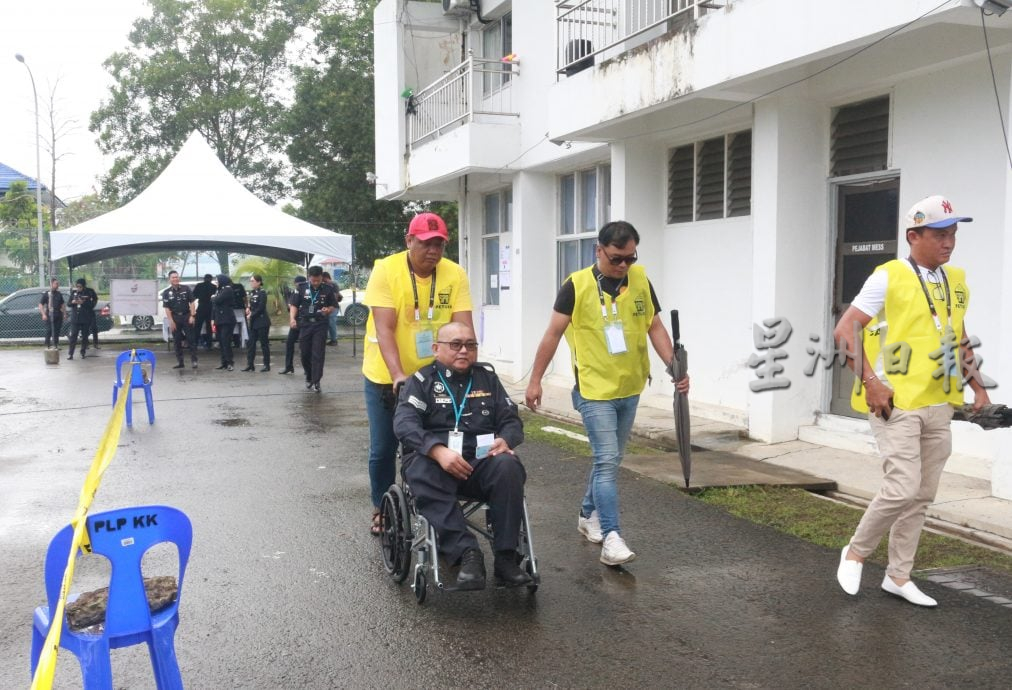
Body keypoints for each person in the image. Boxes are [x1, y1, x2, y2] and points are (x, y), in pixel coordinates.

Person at [833, 195, 990, 607]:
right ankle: (855, 552)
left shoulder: (955, 279)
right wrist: (871, 383)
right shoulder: (888, 277)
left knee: (921, 495)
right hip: (896, 402)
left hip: (939, 402)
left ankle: (898, 576)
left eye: (952, 234)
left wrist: (978, 388)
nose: (949, 242)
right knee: (902, 489)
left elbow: (958, 338)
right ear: (913, 236)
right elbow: (845, 331)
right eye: (939, 235)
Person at [525, 220, 689, 566]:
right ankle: (612, 537)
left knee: (610, 459)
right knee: (607, 460)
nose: (623, 265)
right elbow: (552, 334)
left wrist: (675, 368)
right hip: (594, 389)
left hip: (630, 387)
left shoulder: (640, 279)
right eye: (616, 258)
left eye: (630, 258)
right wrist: (535, 380)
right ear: (598, 250)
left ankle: (588, 514)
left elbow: (655, 326)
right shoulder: (576, 285)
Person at [393, 322, 531, 590]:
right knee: (420, 471)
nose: (464, 350)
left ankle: (506, 558)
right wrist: (437, 451)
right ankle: (467, 554)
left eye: (470, 345)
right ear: (436, 348)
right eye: (455, 344)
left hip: (479, 461)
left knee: (508, 465)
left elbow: (510, 419)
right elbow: (404, 424)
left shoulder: (487, 379)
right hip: (434, 461)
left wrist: (506, 439)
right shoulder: (420, 382)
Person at [362, 212, 473, 535]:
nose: (433, 251)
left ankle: (438, 502)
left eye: (439, 244)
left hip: (434, 376)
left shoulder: (454, 273)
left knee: (440, 441)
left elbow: (463, 327)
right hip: (387, 376)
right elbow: (384, 329)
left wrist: (467, 367)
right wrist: (398, 374)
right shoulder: (386, 270)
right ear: (409, 240)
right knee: (384, 447)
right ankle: (381, 507)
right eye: (426, 243)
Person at [289, 265, 339, 392]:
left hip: (320, 324)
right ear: (309, 277)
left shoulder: (328, 289)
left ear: (322, 277)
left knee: (318, 353)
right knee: (304, 353)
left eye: (318, 280)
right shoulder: (301, 288)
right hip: (305, 324)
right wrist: (292, 319)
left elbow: (333, 305)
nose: (316, 283)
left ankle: (316, 381)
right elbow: (294, 305)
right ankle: (309, 375)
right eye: (313, 280)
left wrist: (328, 310)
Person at [162, 270, 198, 369]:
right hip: (175, 318)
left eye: (177, 277)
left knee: (191, 339)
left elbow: (192, 302)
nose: (175, 279)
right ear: (169, 279)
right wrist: (171, 321)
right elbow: (167, 308)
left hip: (186, 316)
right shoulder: (166, 292)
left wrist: (192, 316)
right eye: (173, 277)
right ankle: (180, 362)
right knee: (177, 341)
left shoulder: (186, 289)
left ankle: (194, 361)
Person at [242, 274, 271, 372]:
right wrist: (248, 309)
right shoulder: (253, 292)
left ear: (259, 282)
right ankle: (250, 364)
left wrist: (251, 315)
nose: (251, 283)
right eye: (250, 281)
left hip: (262, 321)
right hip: (254, 322)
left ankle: (266, 364)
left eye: (253, 281)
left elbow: (261, 307)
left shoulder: (262, 293)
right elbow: (253, 305)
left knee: (264, 344)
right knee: (251, 343)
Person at [278, 275, 306, 375]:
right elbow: (291, 306)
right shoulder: (296, 292)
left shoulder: (306, 291)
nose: (298, 285)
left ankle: (307, 368)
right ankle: (289, 366)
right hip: (296, 322)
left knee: (304, 346)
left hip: (303, 322)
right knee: (290, 343)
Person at [66, 278, 97, 360]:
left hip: (85, 317)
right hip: (75, 318)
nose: (78, 288)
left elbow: (92, 303)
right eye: (77, 286)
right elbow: (68, 303)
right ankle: (70, 353)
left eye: (80, 286)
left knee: (84, 336)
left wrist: (83, 302)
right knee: (73, 336)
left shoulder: (89, 292)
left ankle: (83, 352)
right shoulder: (74, 293)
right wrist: (73, 302)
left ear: (83, 286)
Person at [212, 273, 237, 371]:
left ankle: (230, 362)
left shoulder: (227, 289)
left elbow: (217, 300)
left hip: (227, 319)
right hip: (219, 319)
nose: (216, 282)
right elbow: (214, 306)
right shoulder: (219, 290)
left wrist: (213, 298)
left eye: (217, 280)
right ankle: (224, 362)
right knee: (221, 342)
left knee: (226, 341)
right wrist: (213, 319)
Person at [38, 278, 66, 349]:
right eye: (56, 283)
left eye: (58, 284)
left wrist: (64, 314)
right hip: (50, 314)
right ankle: (47, 345)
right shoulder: (47, 294)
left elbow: (62, 304)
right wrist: (43, 314)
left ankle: (55, 345)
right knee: (49, 330)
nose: (57, 285)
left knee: (57, 331)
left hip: (58, 314)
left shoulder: (59, 294)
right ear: (51, 284)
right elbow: (40, 305)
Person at [192, 274, 216, 348]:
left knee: (197, 326)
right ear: (211, 279)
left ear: (204, 279)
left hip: (201, 306)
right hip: (210, 307)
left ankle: (195, 343)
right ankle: (209, 344)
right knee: (209, 327)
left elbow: (194, 296)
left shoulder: (199, 285)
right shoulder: (214, 287)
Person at [323, 271, 344, 346]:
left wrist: (331, 305)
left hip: (333, 307)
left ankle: (334, 340)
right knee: (329, 323)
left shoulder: (332, 284)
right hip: (330, 307)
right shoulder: (327, 284)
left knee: (331, 323)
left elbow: (335, 296)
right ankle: (331, 339)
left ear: (325, 277)